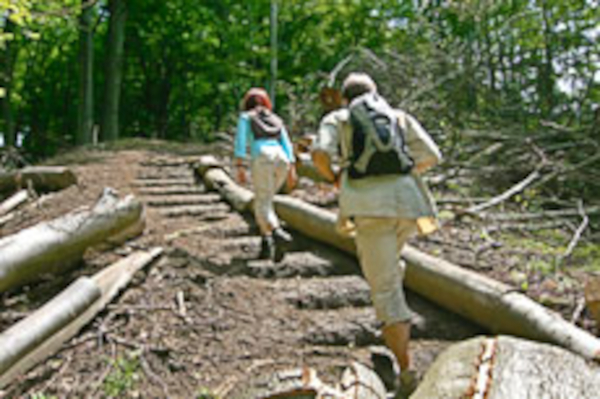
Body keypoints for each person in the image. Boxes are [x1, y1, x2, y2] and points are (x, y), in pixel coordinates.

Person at [311, 73, 441, 395]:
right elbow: (432, 156)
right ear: (376, 94)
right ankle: (394, 319)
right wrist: (402, 172)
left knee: (383, 291)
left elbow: (319, 153)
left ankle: (407, 373)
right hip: (409, 204)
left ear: (345, 98)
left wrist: (335, 178)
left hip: (370, 207)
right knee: (389, 268)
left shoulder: (338, 118)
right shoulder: (397, 116)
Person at [234, 87, 297, 262]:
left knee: (262, 202)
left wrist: (240, 165)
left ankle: (277, 233)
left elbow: (240, 141)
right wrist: (292, 168)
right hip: (282, 159)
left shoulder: (246, 117)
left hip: (263, 157)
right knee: (266, 201)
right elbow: (287, 143)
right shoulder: (275, 119)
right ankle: (266, 243)